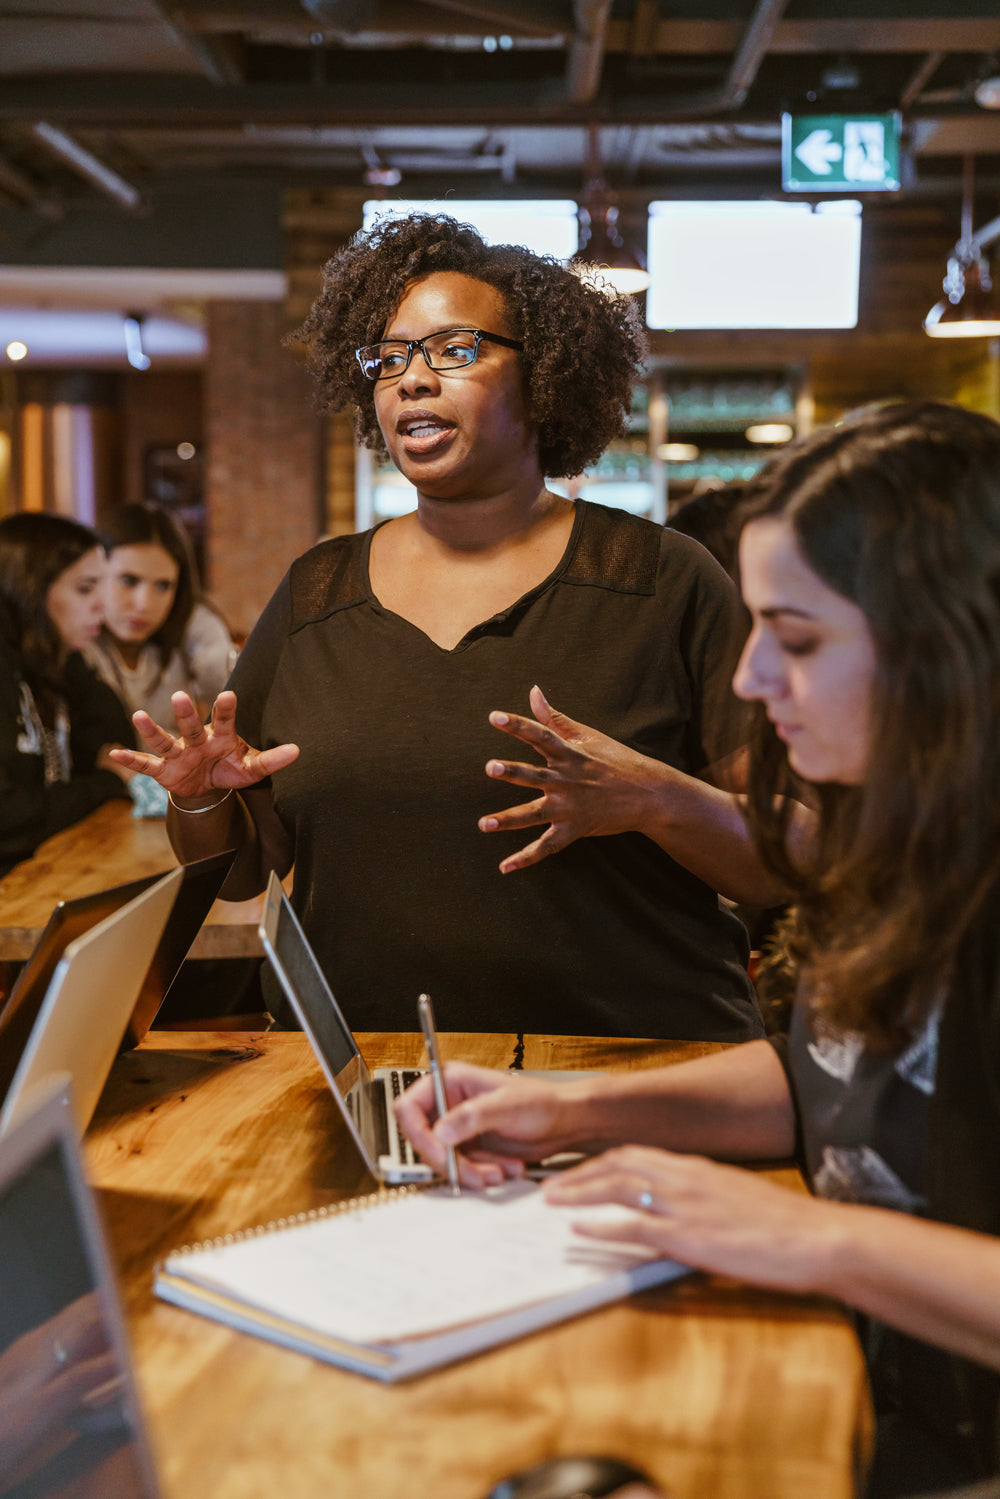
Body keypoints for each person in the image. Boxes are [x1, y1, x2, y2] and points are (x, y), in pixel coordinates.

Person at [396, 401, 1000, 1497]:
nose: (749, 679)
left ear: (952, 645)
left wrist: (813, 1239)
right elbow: (828, 1070)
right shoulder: (903, 837)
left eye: (800, 638)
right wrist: (568, 1109)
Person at [110, 211, 782, 1041]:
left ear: (543, 379)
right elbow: (247, 870)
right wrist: (206, 805)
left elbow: (781, 862)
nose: (410, 381)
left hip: (630, 1070)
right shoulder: (317, 591)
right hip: (367, 1078)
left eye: (454, 351)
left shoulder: (664, 579)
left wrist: (655, 797)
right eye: (389, 360)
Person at [0, 513, 133, 879]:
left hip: (38, 874)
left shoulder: (51, 663)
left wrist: (71, 658)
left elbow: (117, 745)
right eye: (85, 589)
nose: (102, 607)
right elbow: (8, 819)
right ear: (28, 589)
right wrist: (104, 784)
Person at [85, 503, 236, 728]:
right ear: (93, 574)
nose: (144, 604)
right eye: (128, 580)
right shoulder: (75, 644)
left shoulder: (190, 632)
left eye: (163, 586)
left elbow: (239, 705)